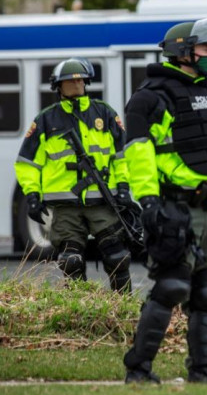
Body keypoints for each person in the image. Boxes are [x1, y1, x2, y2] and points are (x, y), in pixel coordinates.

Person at [122, 13, 207, 384]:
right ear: (182, 52)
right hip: (174, 208)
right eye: (206, 47)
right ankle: (138, 369)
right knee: (171, 286)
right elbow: (138, 152)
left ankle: (203, 372)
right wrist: (148, 200)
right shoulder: (151, 98)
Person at [14, 58, 133, 293]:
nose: (76, 84)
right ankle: (80, 308)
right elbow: (27, 163)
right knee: (71, 261)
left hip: (102, 200)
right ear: (59, 86)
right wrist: (33, 196)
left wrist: (123, 187)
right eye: (70, 80)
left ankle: (125, 307)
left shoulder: (105, 114)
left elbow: (122, 155)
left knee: (118, 257)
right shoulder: (46, 119)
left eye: (80, 80)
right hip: (65, 205)